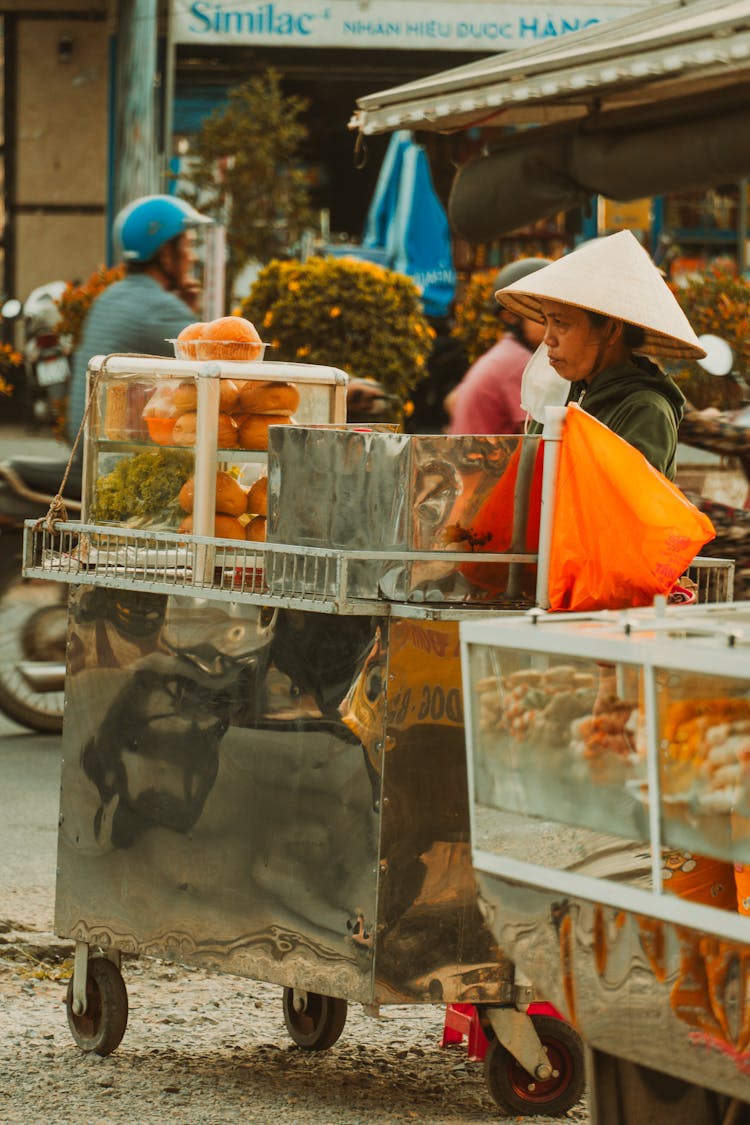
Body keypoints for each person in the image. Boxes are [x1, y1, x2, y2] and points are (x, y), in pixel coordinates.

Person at [495, 229, 706, 480]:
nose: (547, 338)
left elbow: (621, 508)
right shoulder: (561, 391)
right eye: (546, 321)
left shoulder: (645, 411)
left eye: (561, 323)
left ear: (611, 330)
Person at [66, 194, 212, 449]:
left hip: (87, 451)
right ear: (166, 254)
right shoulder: (159, 308)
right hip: (113, 460)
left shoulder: (111, 296)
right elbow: (213, 375)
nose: (193, 257)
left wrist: (184, 312)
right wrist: (187, 316)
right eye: (187, 246)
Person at [445, 258, 551, 435]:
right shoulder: (519, 364)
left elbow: (451, 401)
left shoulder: (504, 353)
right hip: (485, 461)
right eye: (545, 316)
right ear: (510, 316)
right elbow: (536, 436)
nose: (554, 330)